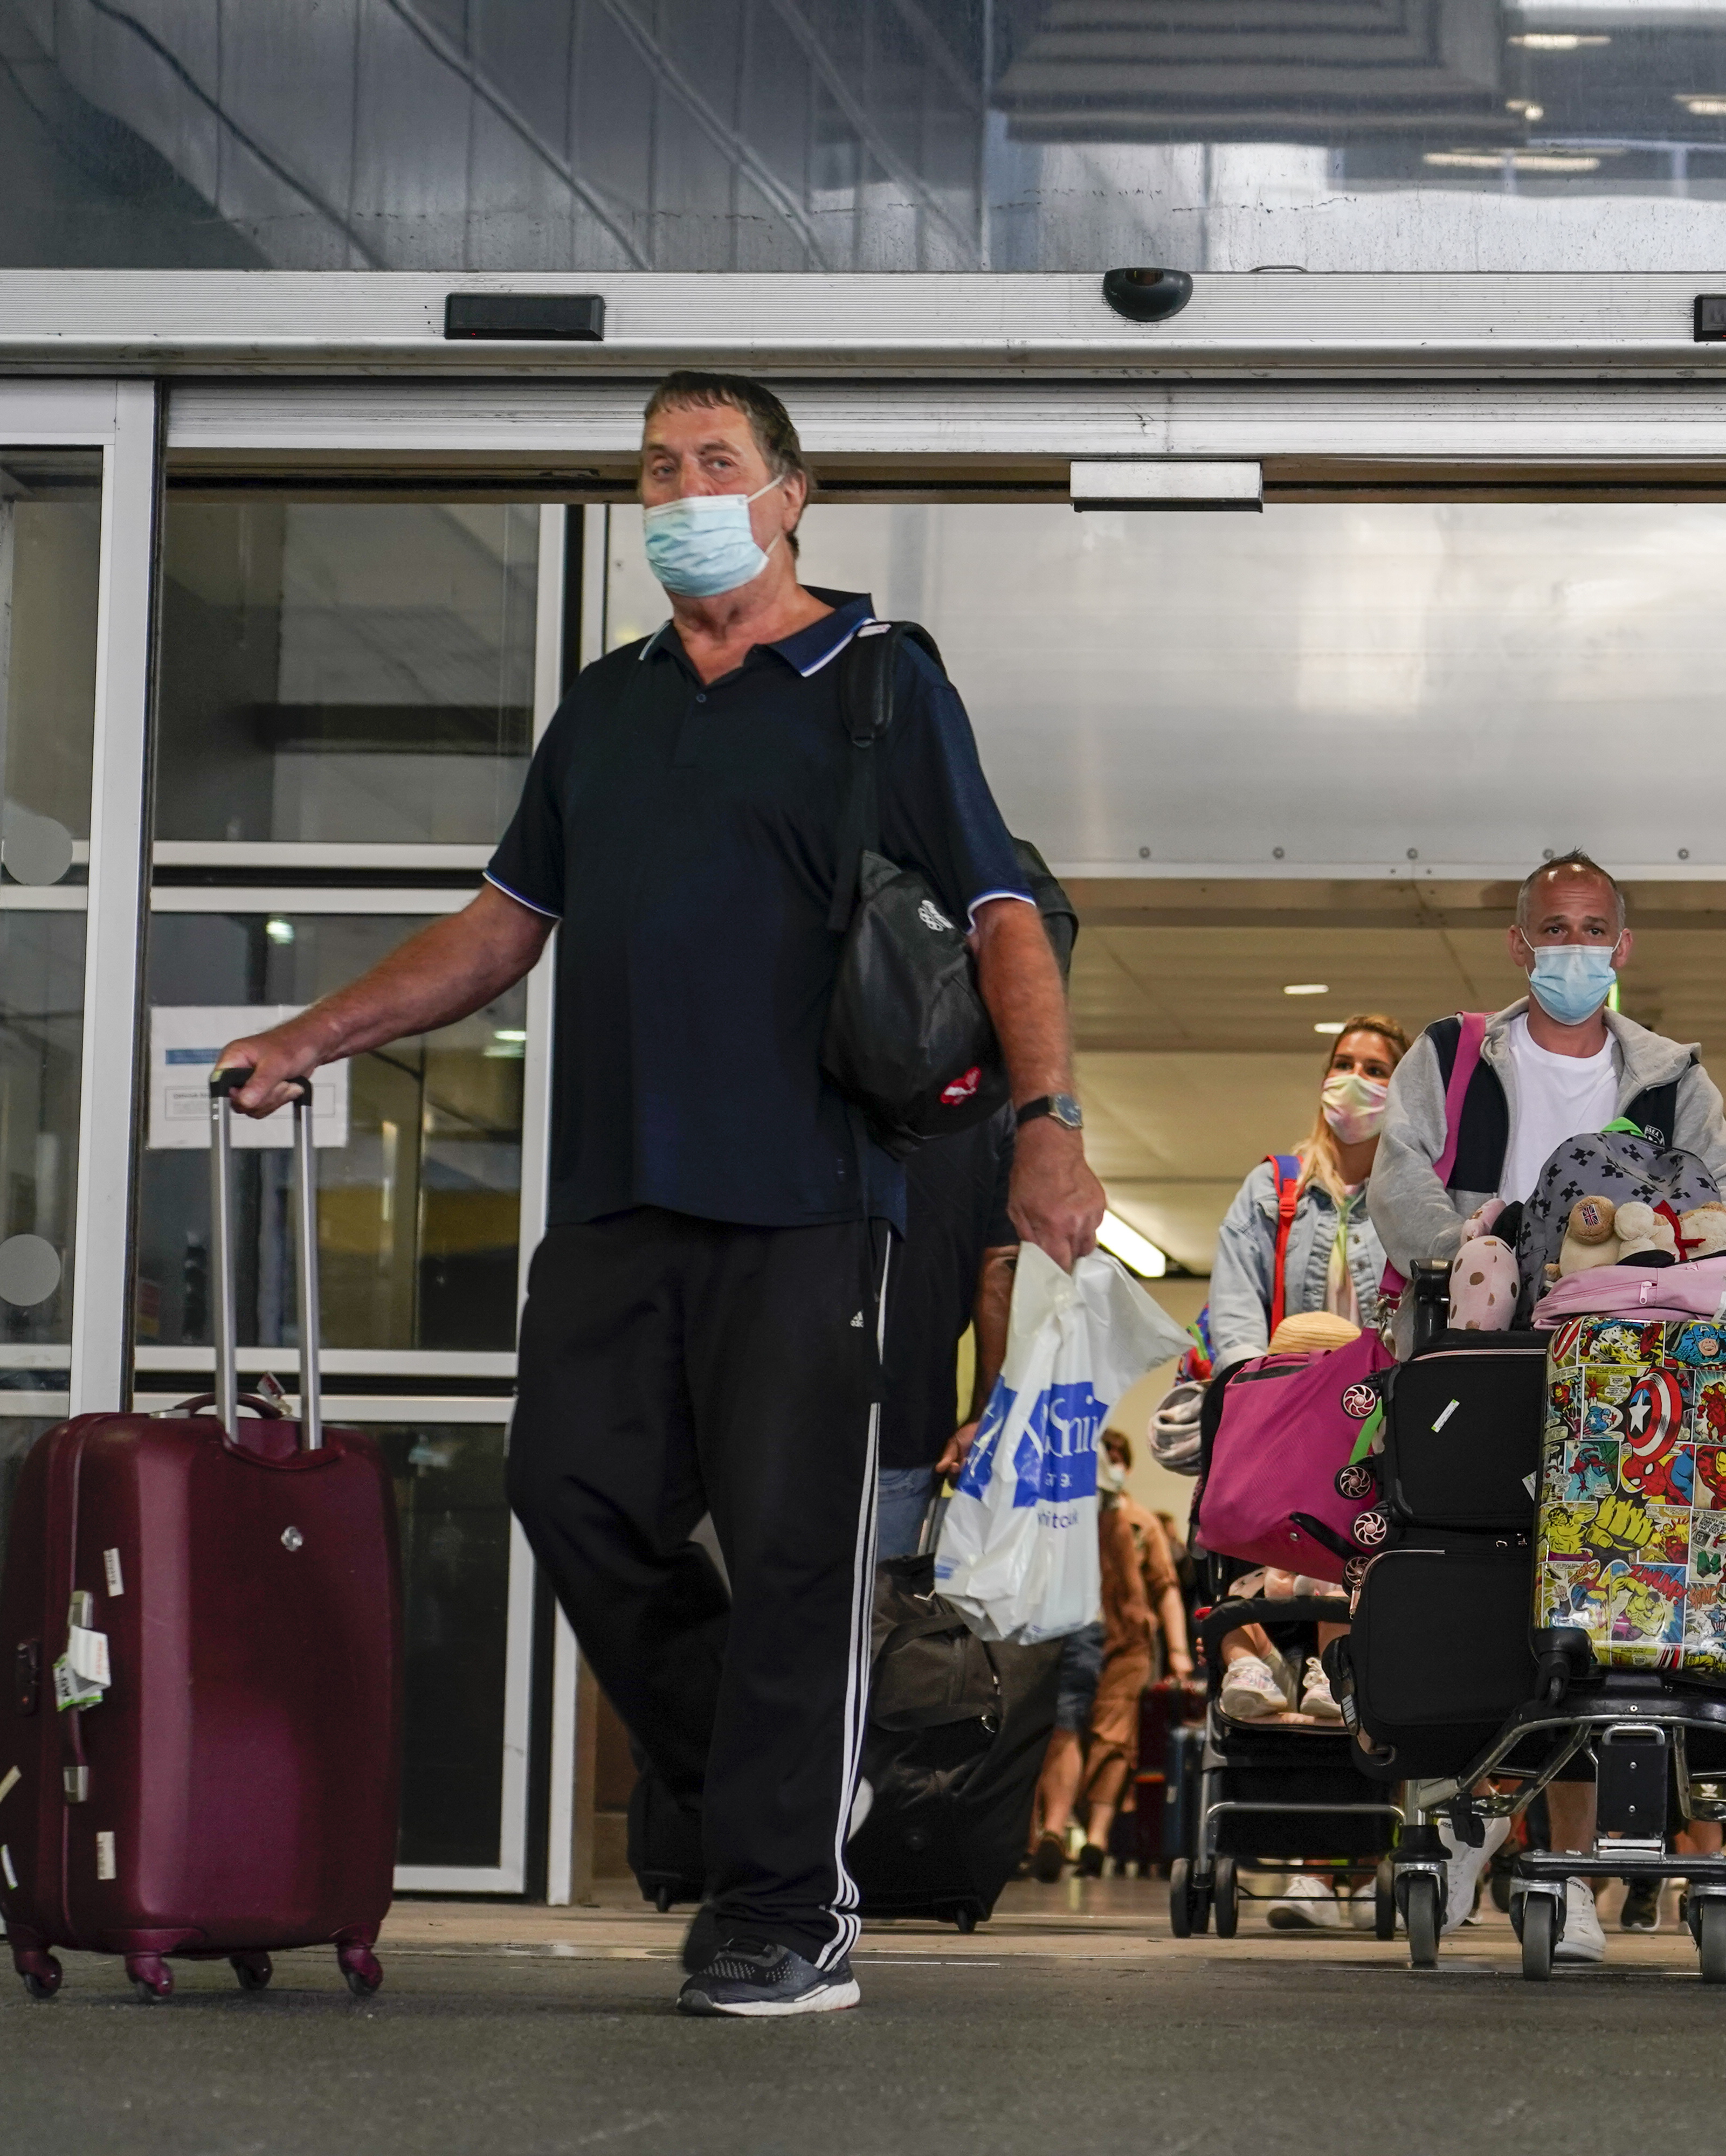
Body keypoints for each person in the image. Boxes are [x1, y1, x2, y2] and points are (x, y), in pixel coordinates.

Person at [211, 372, 1105, 2019]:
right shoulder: (606, 704)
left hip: (809, 1195)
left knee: (789, 1555)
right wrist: (314, 1031)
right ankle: (787, 1772)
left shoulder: (881, 685)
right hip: (619, 1193)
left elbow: (998, 913)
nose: (681, 487)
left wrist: (1045, 1121)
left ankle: (785, 1907)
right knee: (570, 1492)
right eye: (656, 465)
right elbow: (497, 929)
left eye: (716, 461)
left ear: (787, 496)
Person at [1371, 851, 1726, 1965]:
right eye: (1554, 927)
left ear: (1623, 948)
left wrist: (1664, 1246)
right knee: (1463, 1587)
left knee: (1595, 1602)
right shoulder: (1452, 1055)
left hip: (1623, 1369)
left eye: (1594, 929)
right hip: (1477, 1353)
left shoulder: (1672, 1075)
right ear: (1520, 942)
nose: (1574, 948)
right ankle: (1455, 1826)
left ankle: (1577, 1872)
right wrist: (1474, 1245)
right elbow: (1397, 1185)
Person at [1031, 1431, 1192, 1881]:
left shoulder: (1142, 1523)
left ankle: (1097, 1840)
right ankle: (1054, 1829)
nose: (1115, 1463)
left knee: (1114, 1739)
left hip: (1130, 1645)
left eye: (1122, 1456)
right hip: (1074, 1634)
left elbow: (1166, 1590)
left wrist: (1178, 1651)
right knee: (1061, 1729)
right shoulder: (1070, 1519)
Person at [1207, 1017, 1409, 1362]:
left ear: (1402, 1090)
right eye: (1343, 1065)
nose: (1354, 1078)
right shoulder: (1271, 1188)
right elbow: (1236, 1308)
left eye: (1375, 1070)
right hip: (1291, 1400)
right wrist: (1254, 1390)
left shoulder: (1413, 1200)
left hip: (1384, 1403)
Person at [872, 1117, 1018, 1565]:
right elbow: (999, 1269)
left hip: (769, 1402)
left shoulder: (794, 1059)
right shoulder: (989, 1107)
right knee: (874, 1619)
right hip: (905, 1416)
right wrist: (985, 1416)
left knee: (752, 1617)